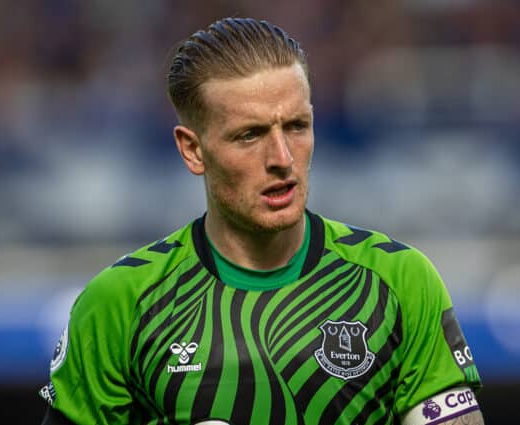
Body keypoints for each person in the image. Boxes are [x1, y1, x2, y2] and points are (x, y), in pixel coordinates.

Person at [40, 17, 483, 425]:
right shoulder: (119, 304)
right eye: (249, 135)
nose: (282, 159)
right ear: (193, 149)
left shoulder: (400, 282)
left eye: (296, 126)